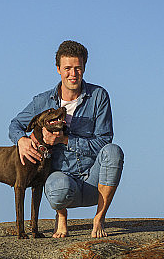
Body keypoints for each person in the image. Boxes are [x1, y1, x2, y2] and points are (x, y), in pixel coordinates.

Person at [9, 40, 123, 238]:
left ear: (84, 68)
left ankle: (99, 217)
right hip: (63, 182)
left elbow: (104, 142)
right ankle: (61, 217)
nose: (73, 74)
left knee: (114, 151)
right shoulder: (42, 101)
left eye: (78, 68)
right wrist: (22, 141)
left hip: (93, 181)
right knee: (57, 188)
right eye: (67, 68)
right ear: (58, 69)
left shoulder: (98, 97)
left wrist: (64, 140)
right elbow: (15, 125)